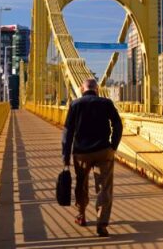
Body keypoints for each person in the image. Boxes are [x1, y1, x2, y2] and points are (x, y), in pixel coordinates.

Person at [62, 78, 123, 237]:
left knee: (81, 185)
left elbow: (68, 132)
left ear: (82, 90)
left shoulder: (75, 104)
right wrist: (113, 146)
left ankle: (81, 216)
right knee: (104, 188)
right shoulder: (106, 103)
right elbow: (118, 124)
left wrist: (66, 156)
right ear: (97, 90)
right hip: (103, 151)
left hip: (81, 152)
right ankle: (101, 224)